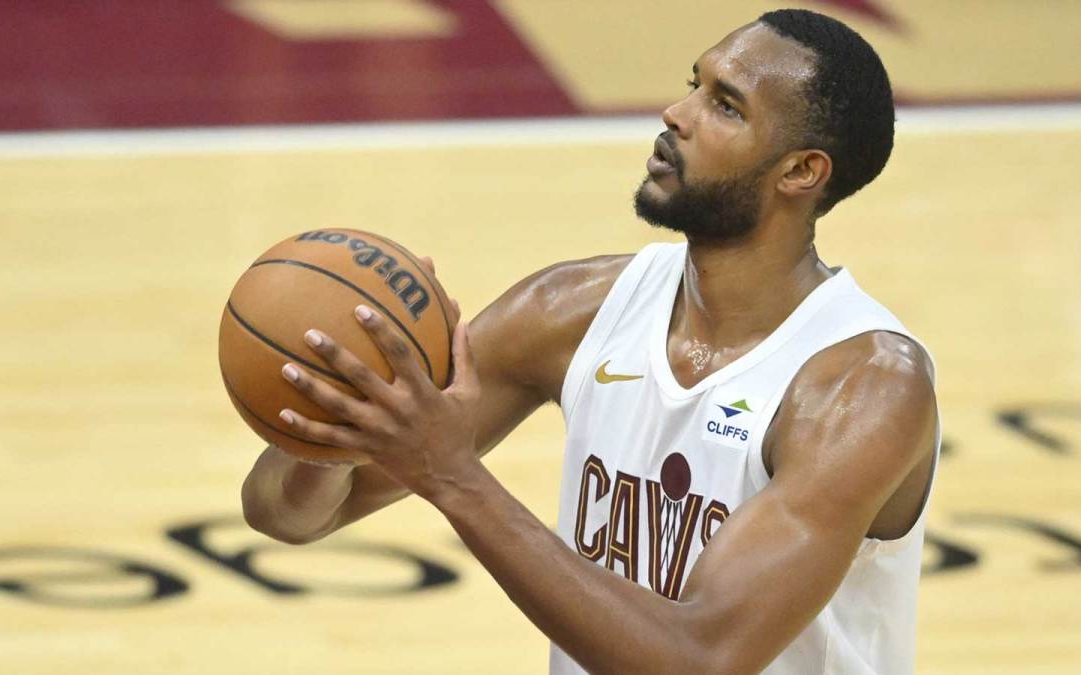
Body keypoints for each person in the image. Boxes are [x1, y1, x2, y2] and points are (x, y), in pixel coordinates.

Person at [242, 8, 940, 674]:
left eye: (726, 106)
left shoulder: (864, 386)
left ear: (800, 172)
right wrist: (344, 408)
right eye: (695, 83)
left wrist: (453, 475)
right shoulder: (570, 310)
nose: (679, 113)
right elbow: (286, 511)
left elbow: (698, 660)